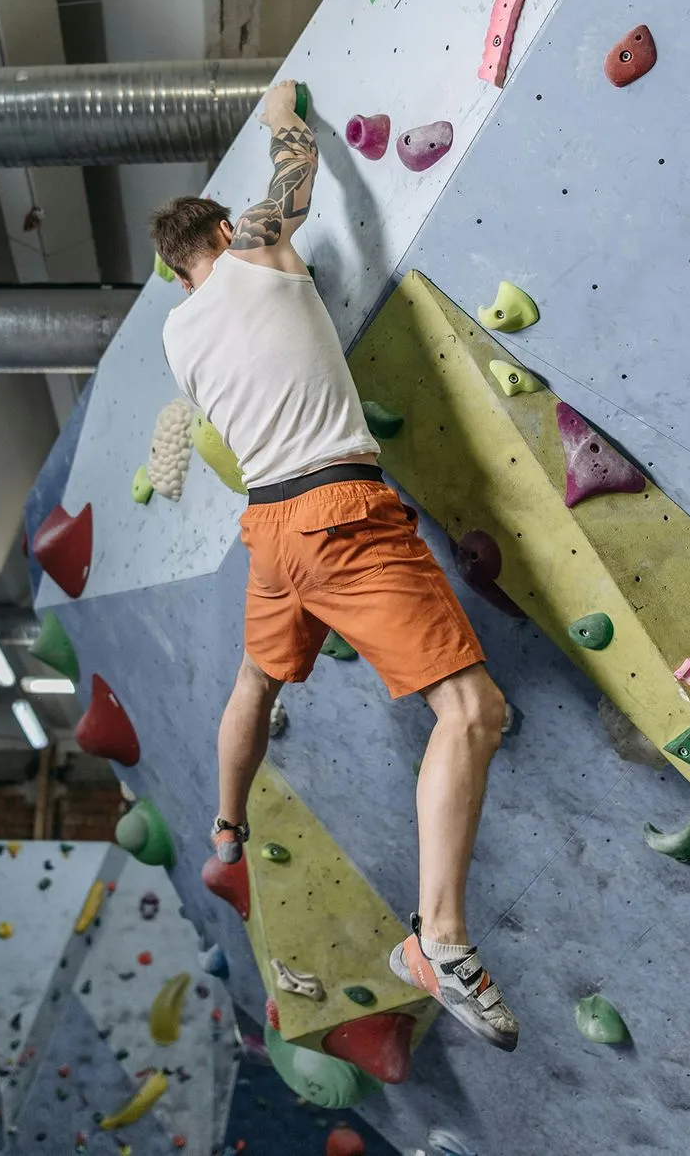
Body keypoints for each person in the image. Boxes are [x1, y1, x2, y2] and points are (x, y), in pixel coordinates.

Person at [150, 80, 518, 1052]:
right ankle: (436, 940)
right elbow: (299, 181)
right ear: (225, 235)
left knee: (254, 682)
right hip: (338, 514)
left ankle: (224, 838)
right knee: (475, 712)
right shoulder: (256, 249)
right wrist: (281, 116)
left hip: (269, 530)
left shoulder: (178, 335)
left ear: (170, 270)